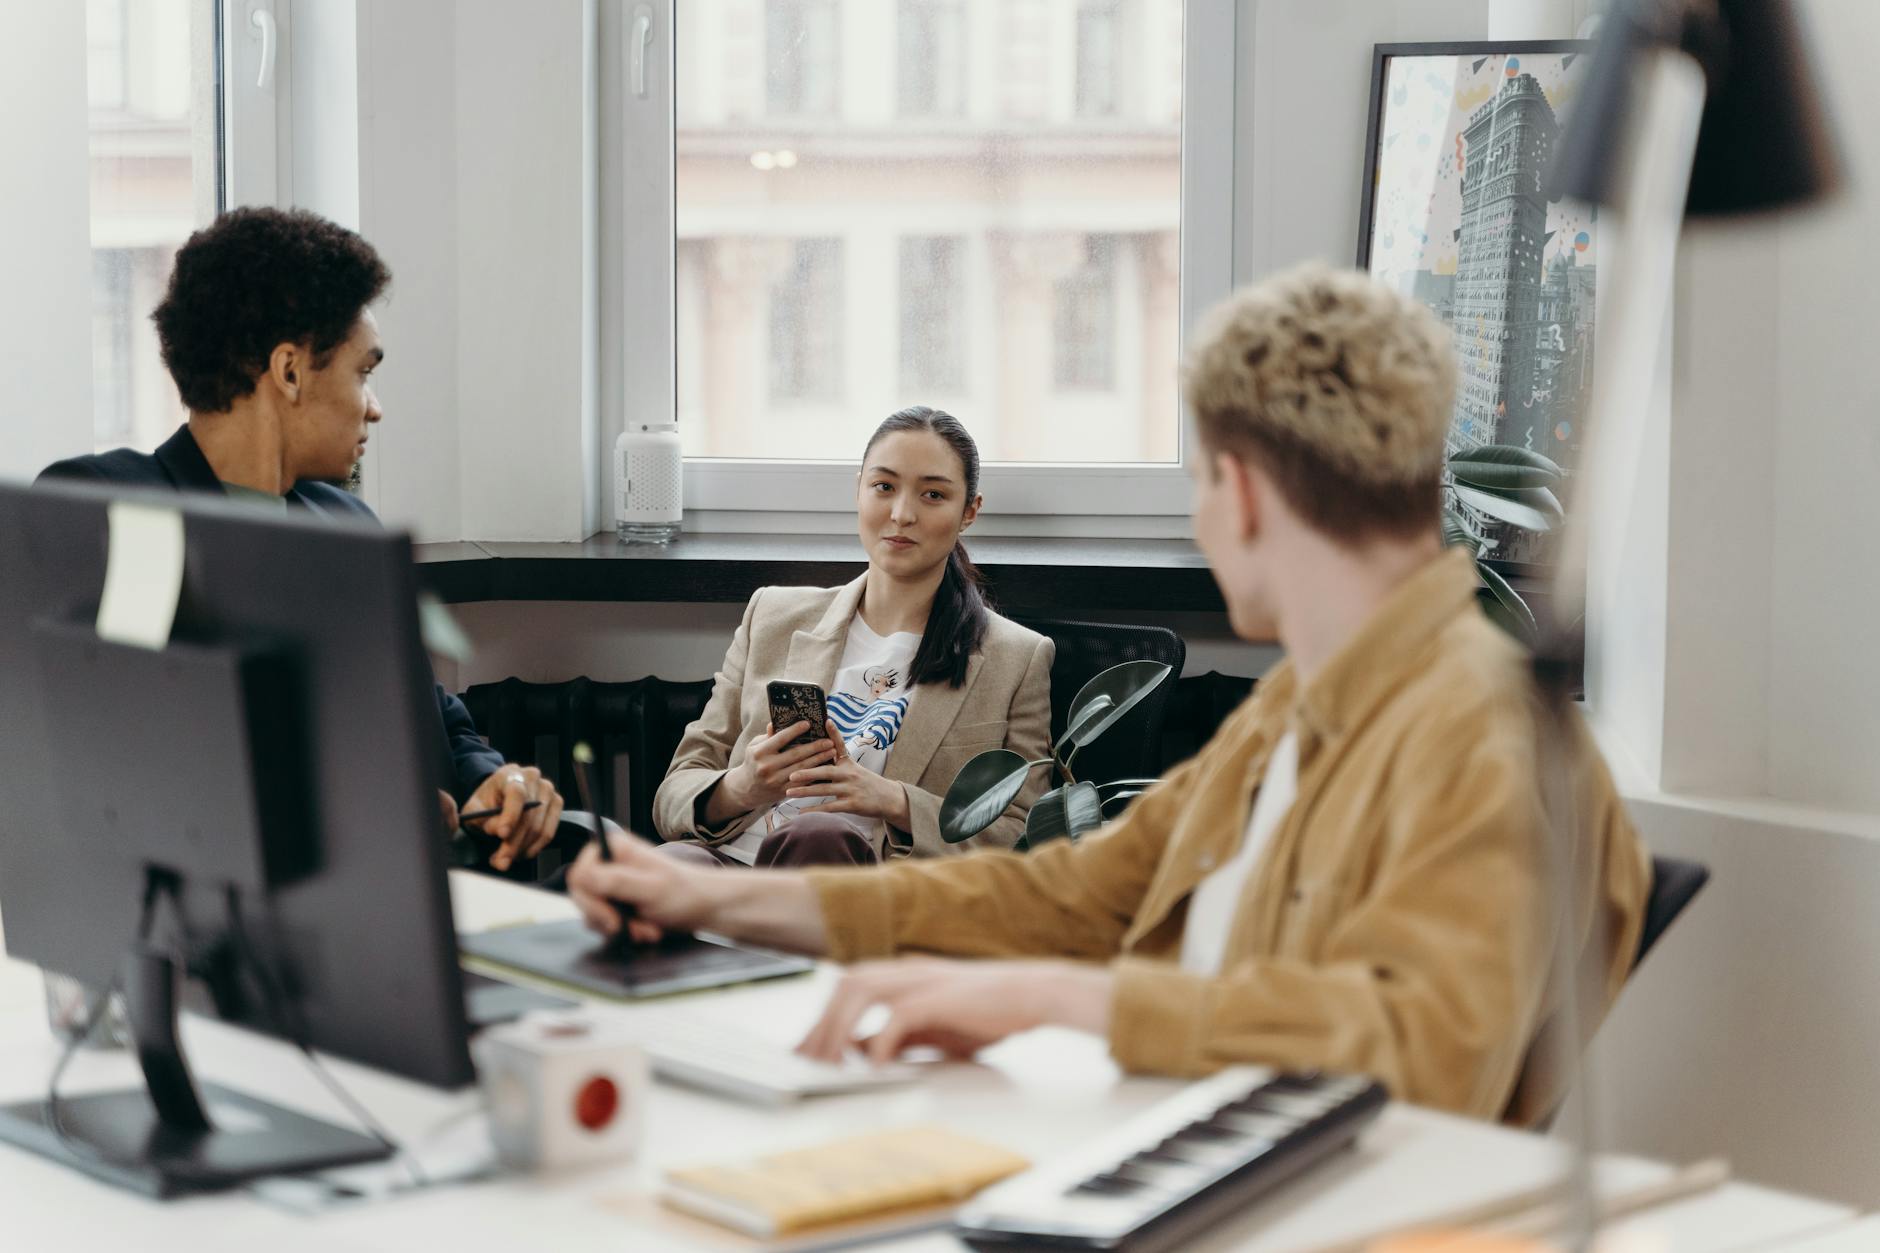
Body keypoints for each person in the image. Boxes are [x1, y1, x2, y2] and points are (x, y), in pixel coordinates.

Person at [568, 263, 1651, 1124]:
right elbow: (1074, 894)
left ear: (1237, 488)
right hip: (1178, 1142)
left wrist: (1053, 996)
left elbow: (1423, 1045)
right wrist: (715, 898)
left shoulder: (1481, 728)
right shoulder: (1296, 710)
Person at [38, 206, 562, 871]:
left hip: (425, 901)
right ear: (288, 372)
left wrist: (490, 778)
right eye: (362, 372)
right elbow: (126, 757)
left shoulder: (346, 524)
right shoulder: (127, 516)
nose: (375, 406)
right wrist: (362, 809)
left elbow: (436, 717)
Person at [653, 407, 1054, 867]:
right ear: (858, 490)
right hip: (729, 864)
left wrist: (894, 801)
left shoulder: (1016, 658)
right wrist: (742, 785)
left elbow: (1023, 834)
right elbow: (674, 793)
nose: (902, 514)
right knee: (640, 875)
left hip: (863, 891)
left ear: (969, 512)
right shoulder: (772, 616)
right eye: (884, 487)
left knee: (819, 836)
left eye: (933, 494)